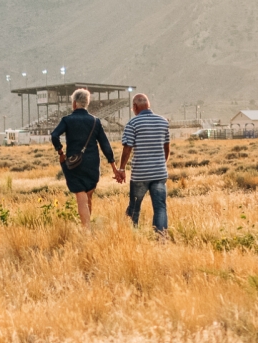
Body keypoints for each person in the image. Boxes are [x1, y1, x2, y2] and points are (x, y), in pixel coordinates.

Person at [48, 87, 114, 225]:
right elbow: (105, 144)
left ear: (74, 103)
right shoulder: (95, 121)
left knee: (81, 197)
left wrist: (60, 152)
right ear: (87, 103)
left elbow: (54, 136)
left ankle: (86, 231)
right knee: (88, 196)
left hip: (74, 163)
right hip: (92, 163)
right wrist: (113, 166)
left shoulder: (67, 120)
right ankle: (88, 225)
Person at [115, 91, 171, 233]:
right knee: (160, 208)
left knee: (135, 206)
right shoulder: (163, 122)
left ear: (135, 106)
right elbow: (166, 147)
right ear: (148, 105)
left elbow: (127, 148)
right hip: (159, 173)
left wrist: (121, 169)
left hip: (140, 174)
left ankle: (132, 234)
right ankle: (161, 238)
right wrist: (160, 164)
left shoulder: (133, 123)